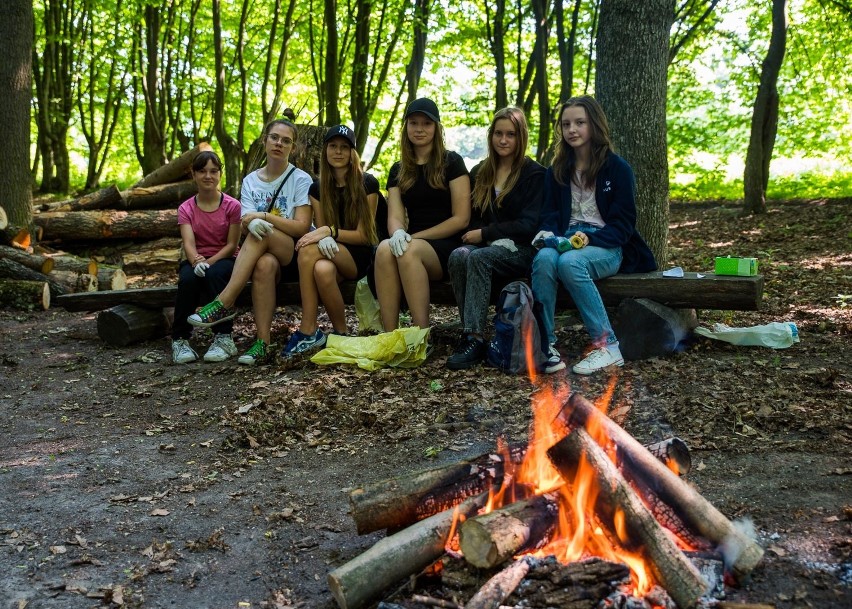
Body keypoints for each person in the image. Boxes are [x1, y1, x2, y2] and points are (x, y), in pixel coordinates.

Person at [531, 95, 656, 375]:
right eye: (566, 124)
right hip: (566, 242)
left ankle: (608, 347)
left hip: (606, 245)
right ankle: (545, 346)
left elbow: (623, 226)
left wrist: (591, 238)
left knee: (569, 263)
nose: (572, 129)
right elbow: (549, 215)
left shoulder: (618, 169)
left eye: (579, 122)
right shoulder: (557, 171)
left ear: (594, 125)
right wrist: (548, 234)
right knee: (544, 259)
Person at [188, 118, 313, 365]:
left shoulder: (300, 179)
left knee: (263, 231)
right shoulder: (250, 181)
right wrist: (251, 222)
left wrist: (263, 217)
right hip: (264, 254)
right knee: (264, 264)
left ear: (293, 148)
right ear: (265, 140)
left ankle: (224, 301)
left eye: (286, 141)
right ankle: (262, 344)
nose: (279, 143)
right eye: (275, 138)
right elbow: (245, 220)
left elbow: (300, 227)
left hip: (294, 253)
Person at [445, 107, 545, 369]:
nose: (503, 140)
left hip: (522, 250)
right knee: (458, 255)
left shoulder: (533, 174)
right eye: (498, 134)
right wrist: (482, 235)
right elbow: (474, 215)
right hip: (487, 249)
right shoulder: (480, 171)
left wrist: (487, 234)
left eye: (510, 134)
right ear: (491, 136)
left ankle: (476, 339)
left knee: (478, 257)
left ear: (520, 137)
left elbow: (529, 225)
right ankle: (468, 333)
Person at [373, 97, 471, 338]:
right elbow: (395, 216)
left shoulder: (453, 162)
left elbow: (461, 219)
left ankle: (420, 335)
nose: (419, 129)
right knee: (384, 249)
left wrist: (412, 237)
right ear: (405, 127)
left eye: (426, 123)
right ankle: (390, 336)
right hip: (412, 243)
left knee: (408, 249)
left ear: (436, 128)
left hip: (447, 246)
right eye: (414, 123)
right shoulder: (398, 169)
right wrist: (397, 232)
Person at [282, 124, 380, 357]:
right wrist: (326, 234)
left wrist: (330, 232)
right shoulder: (318, 188)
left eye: (344, 147)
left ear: (352, 153)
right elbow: (324, 230)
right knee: (322, 270)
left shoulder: (368, 183)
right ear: (325, 151)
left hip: (361, 255)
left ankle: (308, 329)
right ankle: (341, 335)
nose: (338, 152)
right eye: (333, 146)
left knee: (306, 253)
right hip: (333, 253)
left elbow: (365, 236)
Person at [171, 151, 242, 364]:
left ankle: (223, 337)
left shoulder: (232, 206)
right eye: (202, 171)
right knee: (188, 279)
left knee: (216, 274)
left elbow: (231, 245)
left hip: (225, 259)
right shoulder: (186, 208)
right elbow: (189, 244)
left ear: (220, 174)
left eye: (213, 171)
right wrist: (196, 261)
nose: (208, 176)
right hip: (196, 259)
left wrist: (208, 263)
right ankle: (180, 340)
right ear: (194, 175)